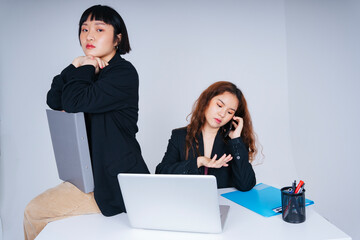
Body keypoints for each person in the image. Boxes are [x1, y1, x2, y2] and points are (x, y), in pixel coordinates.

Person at [23, 5, 149, 240]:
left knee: (35, 212)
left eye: (99, 29)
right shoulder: (87, 69)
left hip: (116, 183)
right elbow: (54, 98)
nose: (89, 36)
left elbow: (73, 102)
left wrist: (86, 66)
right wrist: (76, 64)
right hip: (90, 176)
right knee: (37, 213)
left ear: (117, 39)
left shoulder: (123, 73)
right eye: (84, 29)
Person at [156, 81, 258, 191]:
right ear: (207, 101)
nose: (222, 114)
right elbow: (161, 172)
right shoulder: (179, 136)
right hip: (185, 202)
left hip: (221, 205)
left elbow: (246, 185)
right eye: (219, 105)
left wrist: (236, 140)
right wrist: (199, 162)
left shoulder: (234, 142)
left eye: (230, 112)